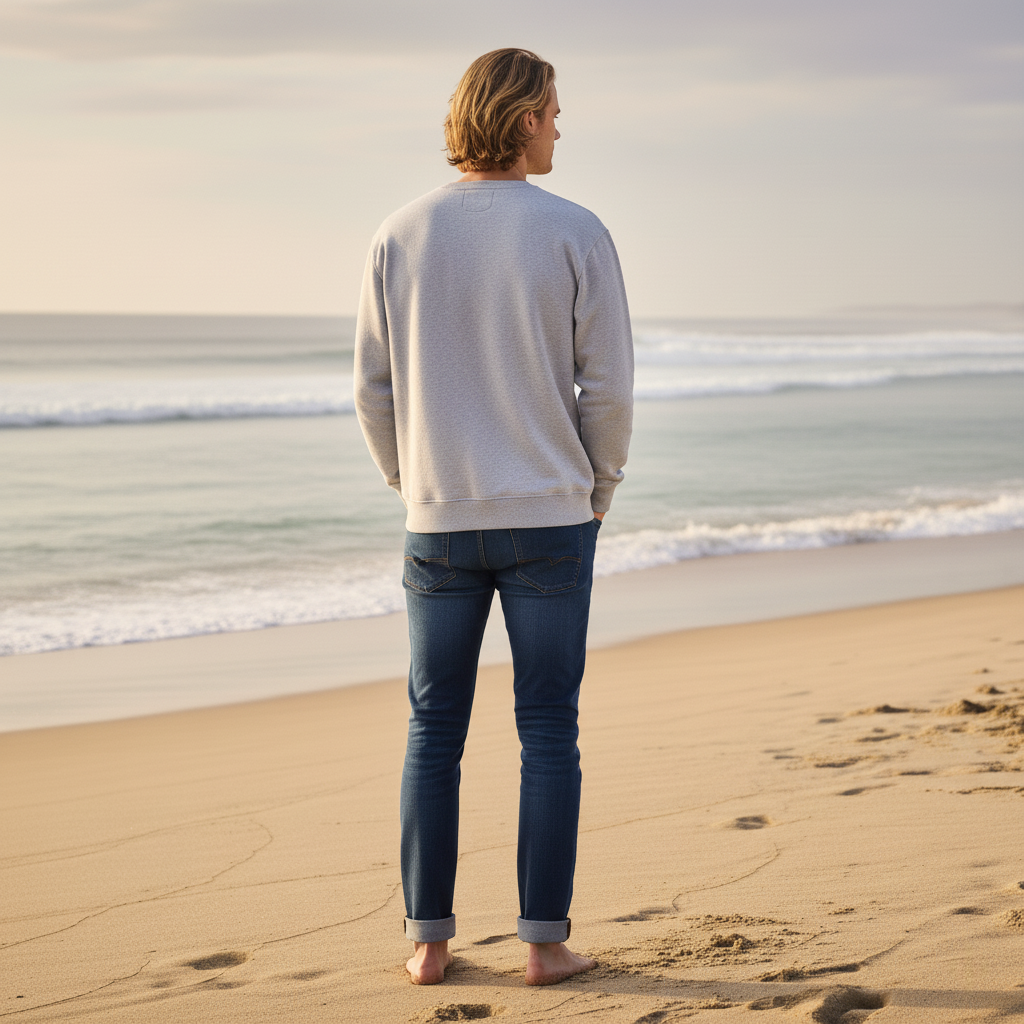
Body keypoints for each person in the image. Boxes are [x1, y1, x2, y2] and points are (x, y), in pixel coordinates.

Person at [354, 47, 634, 987]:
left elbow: (373, 387)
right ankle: (544, 944)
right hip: (551, 516)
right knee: (548, 728)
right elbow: (610, 389)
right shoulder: (574, 230)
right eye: (554, 111)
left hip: (439, 521)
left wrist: (414, 482)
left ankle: (428, 943)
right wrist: (599, 488)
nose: (561, 126)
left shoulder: (400, 232)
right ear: (521, 120)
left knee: (434, 728)